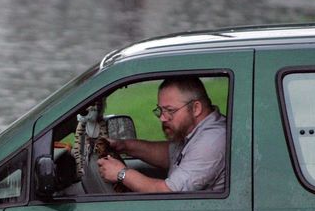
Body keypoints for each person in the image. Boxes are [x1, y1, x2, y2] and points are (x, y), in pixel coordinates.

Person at [97, 76, 227, 193]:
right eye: (160, 110)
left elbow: (169, 193)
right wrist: (124, 145)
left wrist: (121, 174)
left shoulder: (211, 141)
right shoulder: (195, 131)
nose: (163, 118)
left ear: (196, 108)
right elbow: (169, 154)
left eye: (170, 110)